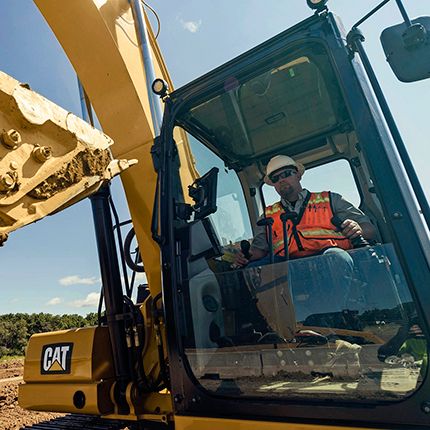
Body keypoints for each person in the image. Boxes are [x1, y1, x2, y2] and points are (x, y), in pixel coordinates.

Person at [234, 155, 377, 320]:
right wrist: (244, 257)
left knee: (336, 258)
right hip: (288, 265)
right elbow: (258, 250)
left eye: (286, 174)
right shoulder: (267, 215)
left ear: (298, 175)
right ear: (272, 184)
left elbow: (369, 229)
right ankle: (274, 326)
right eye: (275, 178)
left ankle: (330, 318)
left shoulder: (331, 200)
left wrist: (357, 228)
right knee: (253, 270)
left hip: (325, 259)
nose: (282, 180)